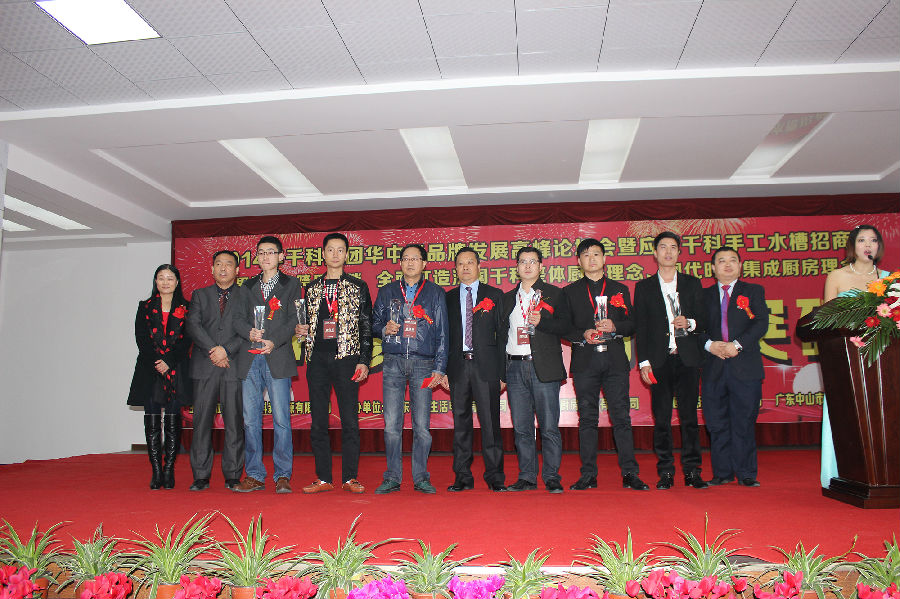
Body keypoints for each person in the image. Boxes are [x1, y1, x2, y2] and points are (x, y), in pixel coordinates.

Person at [562, 238, 648, 491]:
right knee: (587, 419)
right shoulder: (570, 292)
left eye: (596, 254)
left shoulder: (619, 289)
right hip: (585, 361)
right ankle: (588, 474)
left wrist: (615, 326)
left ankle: (630, 473)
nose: (592, 259)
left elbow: (633, 324)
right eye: (586, 255)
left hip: (614, 361)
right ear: (579, 261)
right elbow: (563, 327)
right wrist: (583, 334)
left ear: (605, 259)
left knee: (621, 417)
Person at [296, 232, 373, 494]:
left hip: (347, 359)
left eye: (340, 250)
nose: (335, 254)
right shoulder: (311, 288)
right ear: (323, 254)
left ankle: (350, 477)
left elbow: (366, 326)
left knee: (349, 420)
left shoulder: (357, 286)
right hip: (317, 359)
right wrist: (300, 331)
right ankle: (323, 477)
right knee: (318, 420)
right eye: (331, 250)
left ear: (347, 255)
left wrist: (364, 361)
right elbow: (306, 324)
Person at [372, 243, 448, 494]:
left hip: (423, 364)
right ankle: (392, 477)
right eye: (406, 258)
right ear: (400, 263)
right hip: (393, 362)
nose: (410, 262)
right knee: (391, 425)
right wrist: (384, 329)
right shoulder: (388, 291)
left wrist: (439, 367)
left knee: (422, 427)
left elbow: (442, 333)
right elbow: (373, 324)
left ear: (424, 264)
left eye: (415, 258)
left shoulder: (435, 292)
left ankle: (421, 477)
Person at [633, 232, 708, 490]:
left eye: (673, 247)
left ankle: (692, 471)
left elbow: (704, 320)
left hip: (687, 360)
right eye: (663, 247)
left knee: (689, 418)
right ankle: (665, 471)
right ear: (655, 253)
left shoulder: (692, 284)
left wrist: (690, 322)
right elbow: (641, 328)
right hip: (659, 360)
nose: (668, 252)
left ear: (679, 253)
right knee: (662, 419)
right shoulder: (644, 287)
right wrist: (644, 362)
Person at [820, 224, 889, 488]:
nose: (868, 245)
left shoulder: (889, 280)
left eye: (873, 240)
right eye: (862, 240)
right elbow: (825, 321)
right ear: (852, 246)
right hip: (846, 358)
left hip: (882, 358)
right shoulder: (837, 276)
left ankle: (884, 470)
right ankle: (842, 471)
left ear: (879, 246)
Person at [233, 236, 301, 493]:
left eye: (271, 252)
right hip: (250, 358)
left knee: (281, 419)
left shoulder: (291, 284)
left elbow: (294, 319)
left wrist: (274, 341)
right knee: (251, 420)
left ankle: (282, 474)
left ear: (281, 256)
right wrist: (248, 331)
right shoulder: (246, 286)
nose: (265, 257)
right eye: (261, 252)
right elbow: (237, 319)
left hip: (277, 355)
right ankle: (254, 474)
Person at [500, 246, 570, 493]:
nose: (527, 266)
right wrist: (501, 372)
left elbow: (567, 327)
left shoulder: (554, 294)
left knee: (549, 426)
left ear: (541, 266)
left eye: (532, 261)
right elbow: (501, 335)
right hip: (514, 367)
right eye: (522, 261)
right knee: (522, 428)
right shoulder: (507, 298)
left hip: (543, 367)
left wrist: (544, 321)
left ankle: (551, 476)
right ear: (516, 268)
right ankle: (527, 477)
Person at [700, 246, 770, 487]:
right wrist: (710, 345)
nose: (727, 264)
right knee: (716, 422)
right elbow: (695, 328)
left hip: (745, 366)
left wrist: (737, 345)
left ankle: (746, 473)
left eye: (733, 260)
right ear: (713, 268)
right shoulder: (703, 295)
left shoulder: (753, 291)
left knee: (744, 421)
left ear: (740, 266)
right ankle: (722, 473)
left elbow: (761, 323)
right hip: (714, 366)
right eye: (721, 261)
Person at [442, 246, 506, 492]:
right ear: (455, 269)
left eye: (470, 262)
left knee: (490, 423)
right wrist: (442, 369)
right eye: (460, 263)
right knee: (461, 424)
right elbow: (443, 337)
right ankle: (462, 476)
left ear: (479, 266)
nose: (465, 267)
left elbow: (503, 336)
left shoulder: (495, 294)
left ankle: (495, 476)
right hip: (457, 367)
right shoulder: (447, 298)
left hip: (487, 367)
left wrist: (503, 372)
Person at [185, 250, 246, 491]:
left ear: (237, 270)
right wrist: (214, 350)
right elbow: (193, 325)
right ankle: (201, 475)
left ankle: (233, 474)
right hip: (205, 365)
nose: (223, 268)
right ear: (211, 269)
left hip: (233, 365)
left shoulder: (246, 295)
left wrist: (226, 350)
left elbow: (249, 329)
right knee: (201, 422)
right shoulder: (199, 295)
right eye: (218, 264)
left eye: (228, 264)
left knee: (234, 422)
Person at [127, 264, 192, 490]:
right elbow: (141, 338)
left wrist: (169, 361)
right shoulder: (145, 307)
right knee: (153, 420)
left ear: (177, 282)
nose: (165, 282)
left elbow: (187, 339)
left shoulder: (187, 307)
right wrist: (158, 361)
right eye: (161, 278)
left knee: (173, 421)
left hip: (176, 369)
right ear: (156, 282)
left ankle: (169, 469)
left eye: (170, 278)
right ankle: (156, 471)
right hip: (151, 369)